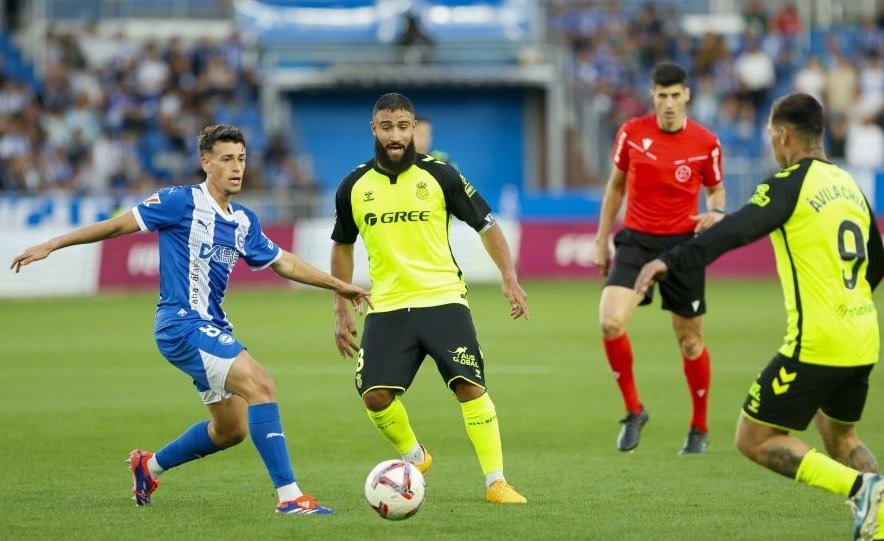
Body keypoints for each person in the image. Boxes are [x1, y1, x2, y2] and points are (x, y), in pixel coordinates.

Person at [10, 124, 372, 516]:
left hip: (212, 327)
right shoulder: (179, 202)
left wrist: (341, 285)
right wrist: (53, 243)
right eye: (227, 159)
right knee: (262, 385)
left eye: (242, 159)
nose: (237, 168)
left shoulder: (244, 221)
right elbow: (116, 225)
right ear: (206, 163)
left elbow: (285, 262)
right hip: (180, 324)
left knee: (231, 430)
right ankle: (290, 498)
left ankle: (148, 467)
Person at [634, 93, 884, 541]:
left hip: (818, 341)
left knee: (755, 438)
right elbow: (877, 263)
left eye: (772, 135)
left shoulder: (789, 183)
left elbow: (738, 231)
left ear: (784, 135)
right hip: (863, 335)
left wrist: (670, 261)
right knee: (842, 437)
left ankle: (862, 487)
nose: (772, 143)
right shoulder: (852, 188)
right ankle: (879, 522)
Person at [330, 92, 529, 504]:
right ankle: (414, 456)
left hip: (443, 299)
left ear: (412, 126)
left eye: (403, 126)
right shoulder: (353, 185)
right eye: (387, 127)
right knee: (374, 395)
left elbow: (487, 224)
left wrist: (508, 277)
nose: (396, 134)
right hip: (386, 305)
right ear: (374, 129)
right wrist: (340, 304)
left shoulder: (442, 175)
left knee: (470, 386)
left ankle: (496, 482)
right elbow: (342, 245)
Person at [593, 61, 726, 454]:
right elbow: (615, 187)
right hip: (637, 242)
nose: (669, 103)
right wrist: (602, 239)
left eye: (675, 95)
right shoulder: (632, 133)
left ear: (686, 95)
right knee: (610, 322)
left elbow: (716, 191)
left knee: (689, 340)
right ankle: (634, 411)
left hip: (684, 246)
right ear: (653, 96)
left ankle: (699, 427)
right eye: (662, 95)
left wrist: (715, 211)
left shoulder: (706, 142)